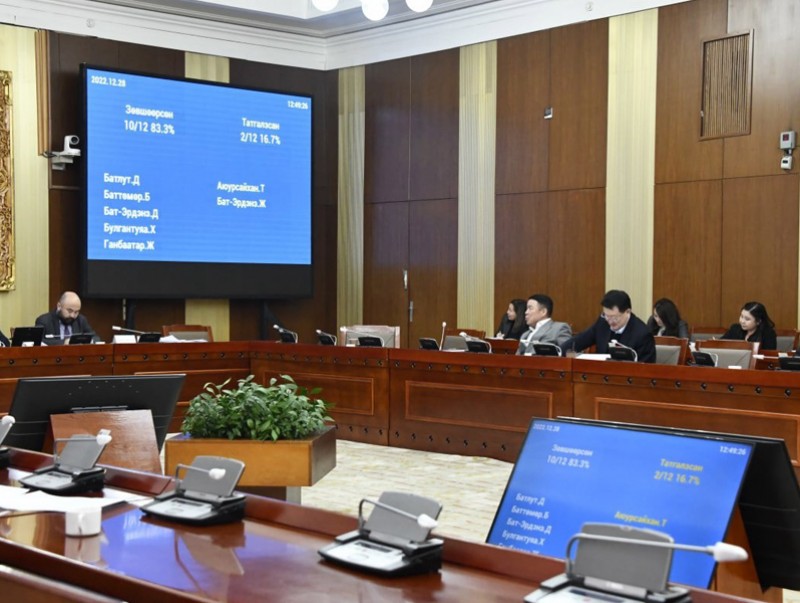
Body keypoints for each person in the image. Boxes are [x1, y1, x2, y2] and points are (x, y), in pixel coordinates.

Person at [562, 289, 656, 363]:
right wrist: (558, 352)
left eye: (614, 317)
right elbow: (580, 340)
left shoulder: (643, 334)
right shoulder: (602, 322)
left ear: (628, 312)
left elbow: (645, 369)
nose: (610, 321)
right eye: (606, 315)